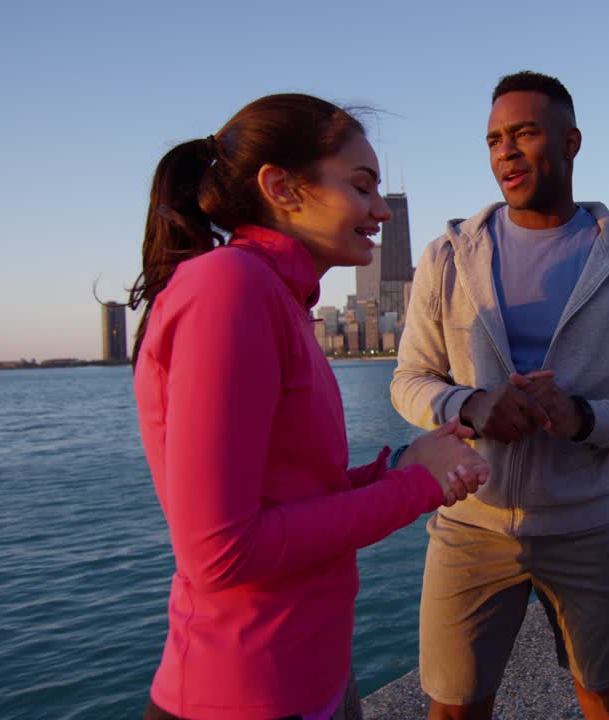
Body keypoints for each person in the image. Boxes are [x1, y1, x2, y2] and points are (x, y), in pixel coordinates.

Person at [130, 93, 489, 720]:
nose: (380, 210)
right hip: (244, 695)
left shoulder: (277, 298)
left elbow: (291, 496)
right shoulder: (229, 290)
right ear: (282, 188)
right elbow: (220, 551)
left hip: (312, 679)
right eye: (361, 186)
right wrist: (414, 488)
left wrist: (401, 466)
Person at [391, 71, 609, 720]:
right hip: (469, 523)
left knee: (607, 699)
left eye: (523, 133)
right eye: (493, 139)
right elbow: (409, 380)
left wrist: (585, 418)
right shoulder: (447, 258)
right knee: (454, 706)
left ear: (571, 142)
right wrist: (471, 405)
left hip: (590, 522)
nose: (505, 152)